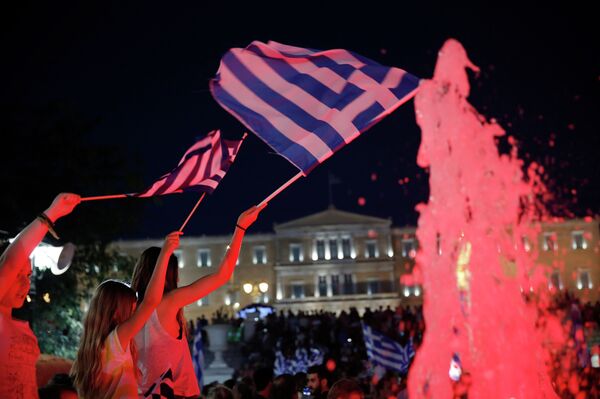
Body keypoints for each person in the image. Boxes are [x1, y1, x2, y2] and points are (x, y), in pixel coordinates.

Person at [132, 204, 266, 398]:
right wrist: (240, 228)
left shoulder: (130, 310)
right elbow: (222, 275)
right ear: (168, 273)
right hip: (177, 393)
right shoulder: (169, 302)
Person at [71, 231, 181, 398]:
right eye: (132, 306)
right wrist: (165, 254)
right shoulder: (115, 341)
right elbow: (150, 302)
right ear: (116, 312)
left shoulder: (99, 348)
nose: (136, 311)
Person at [0, 193, 80, 399]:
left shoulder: (22, 326)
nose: (25, 283)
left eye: (27, 275)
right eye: (18, 275)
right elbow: (11, 260)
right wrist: (51, 214)